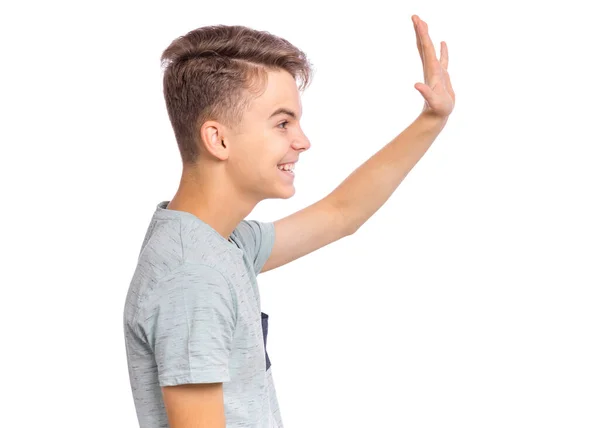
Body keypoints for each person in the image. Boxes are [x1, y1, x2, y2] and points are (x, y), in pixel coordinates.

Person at [123, 14, 454, 428]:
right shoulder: (193, 276)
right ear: (218, 139)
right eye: (282, 123)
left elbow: (341, 213)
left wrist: (431, 119)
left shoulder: (220, 242)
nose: (302, 141)